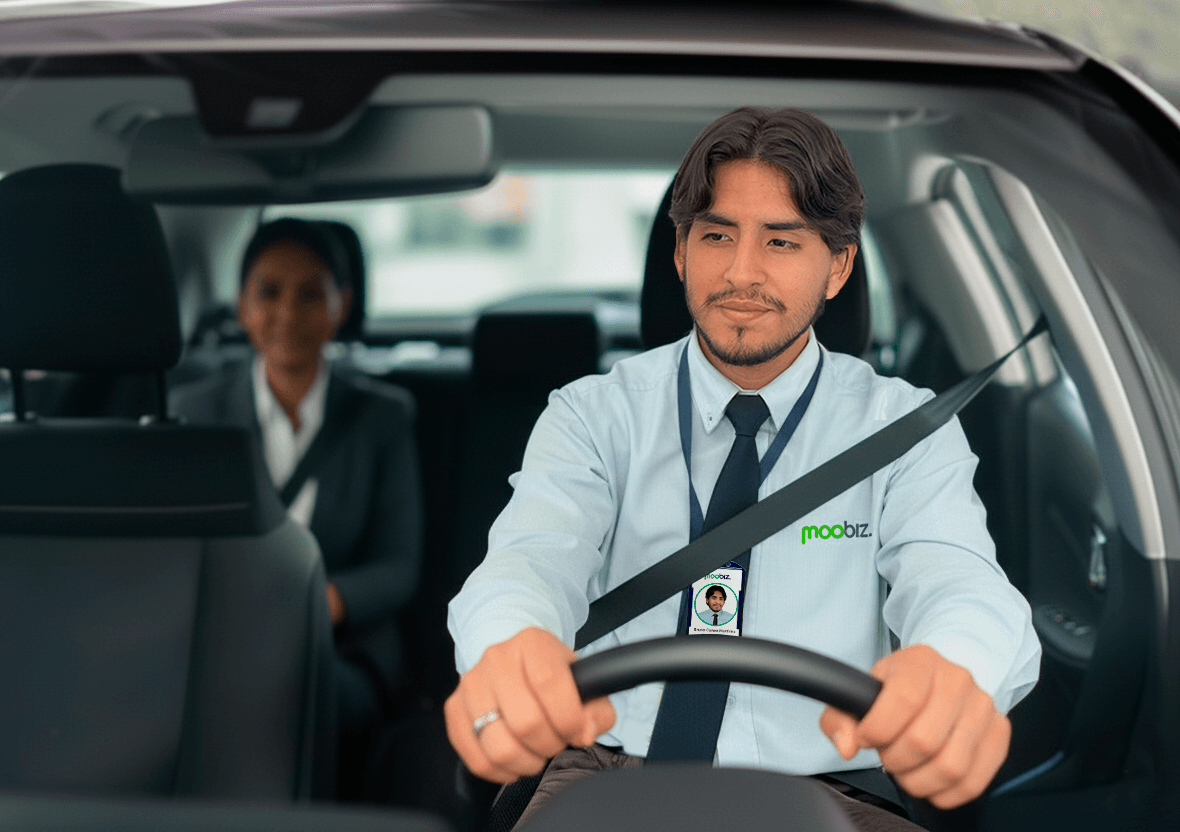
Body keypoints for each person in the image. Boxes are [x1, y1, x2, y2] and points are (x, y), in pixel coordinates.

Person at [445, 107, 1040, 830]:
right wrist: (513, 645)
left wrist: (956, 668)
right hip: (604, 775)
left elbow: (961, 583)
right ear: (680, 254)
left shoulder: (903, 429)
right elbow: (528, 563)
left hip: (834, 790)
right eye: (717, 235)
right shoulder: (593, 415)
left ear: (839, 267)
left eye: (782, 241)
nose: (741, 272)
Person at [172, 217, 423, 738]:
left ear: (342, 305)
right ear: (242, 305)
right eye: (268, 293)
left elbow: (398, 567)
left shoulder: (382, 417)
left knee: (278, 686)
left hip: (341, 648)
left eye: (311, 294)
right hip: (224, 636)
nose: (287, 312)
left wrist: (316, 605)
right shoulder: (195, 412)